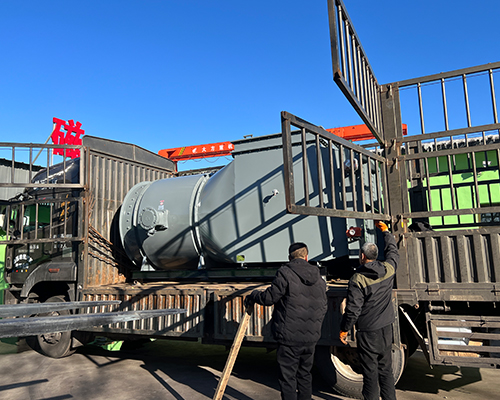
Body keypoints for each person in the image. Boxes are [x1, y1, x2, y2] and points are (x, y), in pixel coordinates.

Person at [245, 242, 327, 400]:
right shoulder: (318, 277)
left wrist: (254, 295)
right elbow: (324, 305)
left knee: (288, 378)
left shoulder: (285, 272)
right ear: (307, 257)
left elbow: (269, 298)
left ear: (289, 257)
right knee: (305, 375)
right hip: (311, 337)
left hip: (289, 337)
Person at [339, 221, 399, 400]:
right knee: (386, 370)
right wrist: (386, 232)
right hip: (386, 329)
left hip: (368, 332)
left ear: (362, 256)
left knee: (370, 374)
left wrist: (344, 329)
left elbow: (353, 310)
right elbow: (393, 252)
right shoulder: (388, 269)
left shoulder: (357, 279)